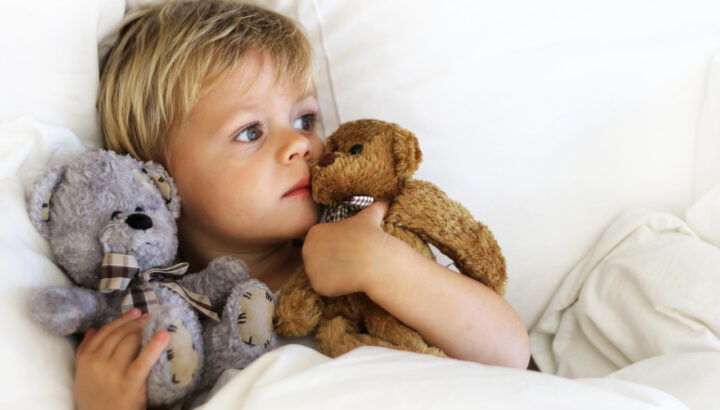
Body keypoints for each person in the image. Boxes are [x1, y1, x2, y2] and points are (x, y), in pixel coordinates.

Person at [81, 1, 530, 409]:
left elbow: (510, 355)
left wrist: (384, 266)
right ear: (158, 176)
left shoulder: (364, 235)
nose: (300, 143)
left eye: (305, 119)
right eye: (250, 131)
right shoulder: (167, 319)